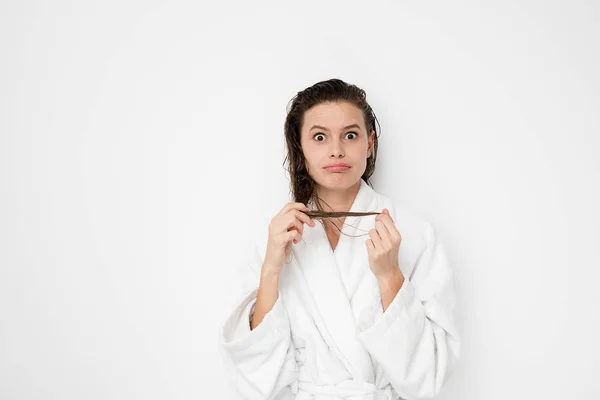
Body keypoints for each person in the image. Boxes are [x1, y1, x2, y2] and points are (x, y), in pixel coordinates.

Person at [220, 78, 461, 400]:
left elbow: (428, 377)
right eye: (319, 137)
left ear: (370, 143)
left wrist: (390, 275)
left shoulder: (415, 233)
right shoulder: (276, 237)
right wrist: (271, 270)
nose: (336, 150)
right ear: (300, 147)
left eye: (350, 135)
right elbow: (256, 376)